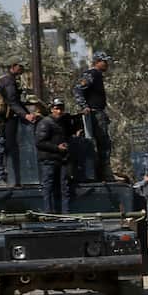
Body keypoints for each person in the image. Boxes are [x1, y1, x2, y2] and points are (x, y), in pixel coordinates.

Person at [0, 62, 38, 187]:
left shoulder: (4, 79)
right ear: (12, 67)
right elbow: (12, 101)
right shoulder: (8, 81)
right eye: (19, 66)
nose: (22, 69)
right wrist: (26, 115)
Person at [73, 51, 114, 180]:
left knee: (104, 143)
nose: (107, 64)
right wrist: (84, 106)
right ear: (98, 62)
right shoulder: (92, 74)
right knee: (100, 143)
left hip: (99, 113)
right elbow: (78, 89)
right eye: (104, 61)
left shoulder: (98, 75)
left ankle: (102, 172)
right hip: (94, 114)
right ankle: (100, 173)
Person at [34, 98, 72, 214]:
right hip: (49, 159)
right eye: (56, 109)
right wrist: (57, 148)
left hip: (62, 159)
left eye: (61, 109)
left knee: (65, 188)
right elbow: (39, 142)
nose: (59, 111)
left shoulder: (63, 123)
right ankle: (48, 213)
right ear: (51, 110)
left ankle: (66, 213)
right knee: (48, 187)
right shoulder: (45, 123)